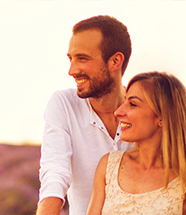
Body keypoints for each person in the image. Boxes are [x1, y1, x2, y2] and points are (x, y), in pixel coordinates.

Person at [36, 15, 133, 215]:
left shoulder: (149, 109)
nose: (72, 71)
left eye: (83, 59)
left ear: (115, 61)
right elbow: (55, 172)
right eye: (71, 59)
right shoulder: (63, 104)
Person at [87, 71, 186, 215]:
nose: (118, 111)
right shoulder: (109, 166)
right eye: (124, 101)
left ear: (162, 117)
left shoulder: (182, 181)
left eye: (132, 104)